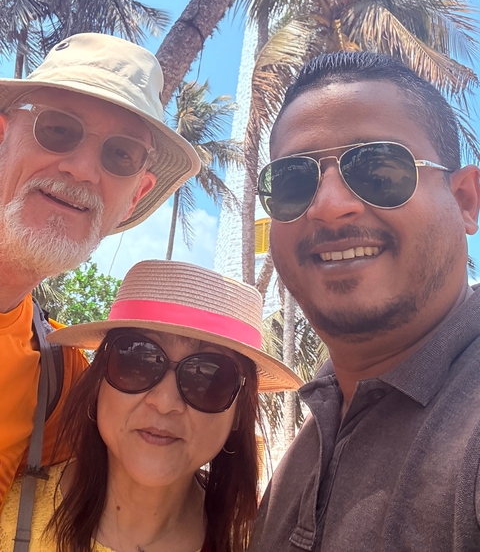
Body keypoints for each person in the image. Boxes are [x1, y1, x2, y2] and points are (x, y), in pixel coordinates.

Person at [249, 51, 480, 552]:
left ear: (464, 200)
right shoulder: (309, 444)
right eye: (293, 181)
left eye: (379, 169)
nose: (330, 206)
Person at [0, 33, 201, 515]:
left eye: (121, 155)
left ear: (135, 194)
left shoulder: (61, 383)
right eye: (59, 130)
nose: (85, 170)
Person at [0, 260, 302, 552]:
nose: (164, 402)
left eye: (208, 376)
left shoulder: (260, 543)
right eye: (137, 360)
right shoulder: (7, 511)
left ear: (239, 410)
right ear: (99, 378)